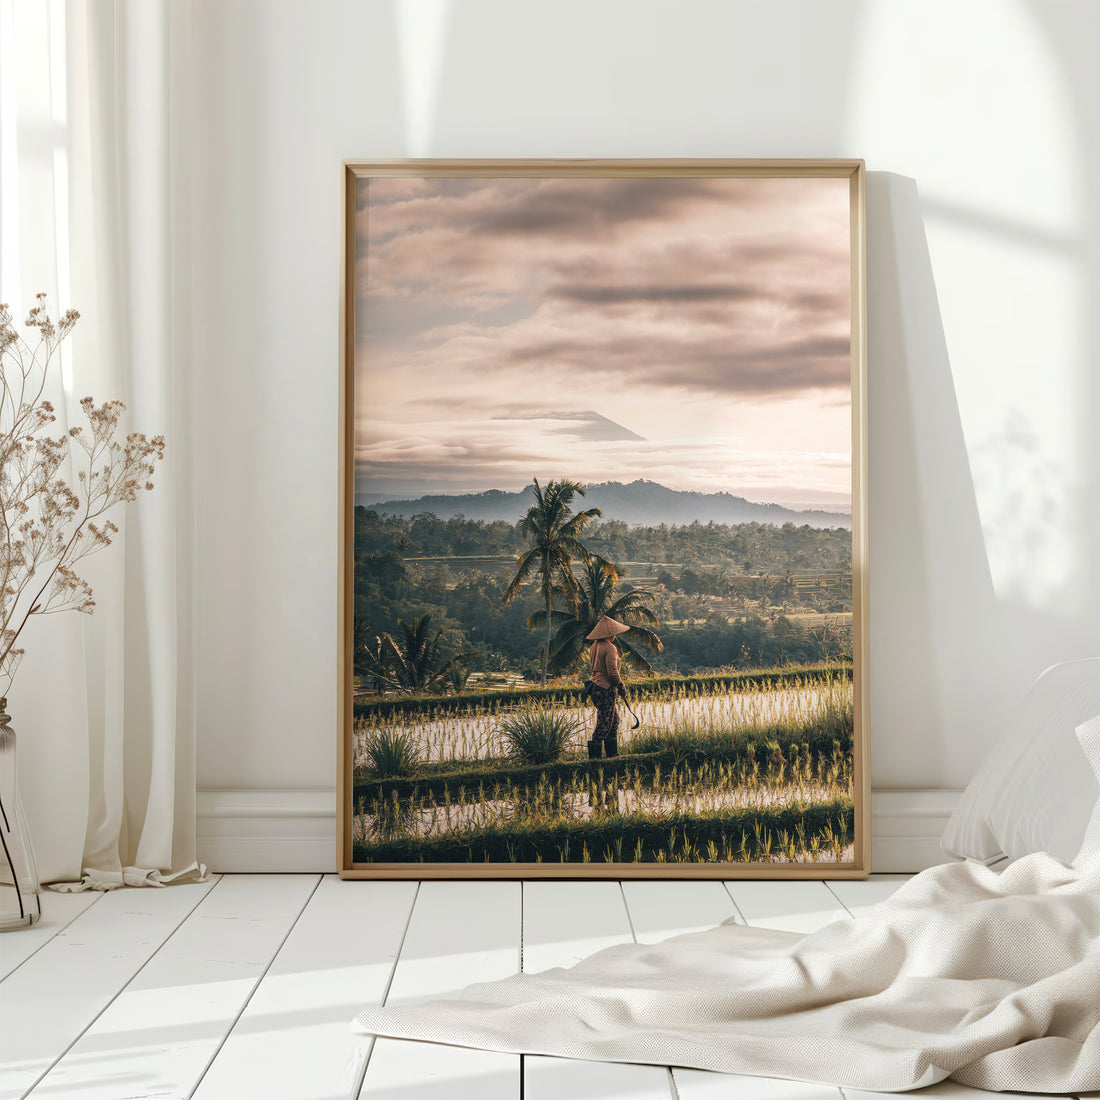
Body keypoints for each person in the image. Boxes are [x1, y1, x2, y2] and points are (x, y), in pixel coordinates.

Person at [586, 615, 631, 758]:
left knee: (613, 720)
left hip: (594, 687)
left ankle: (612, 755)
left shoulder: (594, 646)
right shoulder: (610, 648)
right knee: (604, 723)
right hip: (605, 689)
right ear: (609, 634)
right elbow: (612, 672)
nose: (615, 635)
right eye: (614, 632)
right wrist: (621, 686)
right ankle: (595, 760)